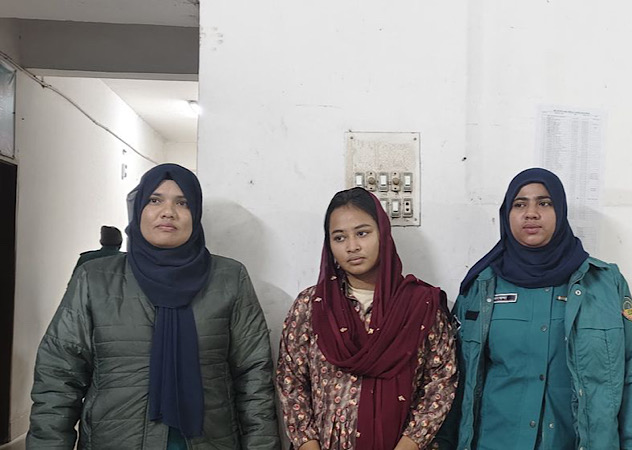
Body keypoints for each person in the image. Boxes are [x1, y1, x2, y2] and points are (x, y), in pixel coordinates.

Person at [28, 163, 280, 449]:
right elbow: (58, 378)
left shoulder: (229, 278)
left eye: (182, 203)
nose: (168, 212)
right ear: (139, 210)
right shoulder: (95, 279)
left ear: (196, 214)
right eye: (155, 200)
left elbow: (254, 379)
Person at [434, 168, 632, 450]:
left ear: (560, 211)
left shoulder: (605, 284)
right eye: (519, 204)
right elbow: (454, 379)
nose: (531, 213)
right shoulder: (481, 286)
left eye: (544, 203)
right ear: (506, 214)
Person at [277, 187, 457, 450]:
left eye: (362, 233)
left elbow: (440, 384)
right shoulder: (311, 306)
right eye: (340, 238)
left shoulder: (421, 306)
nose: (352, 247)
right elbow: (291, 382)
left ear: (383, 234)